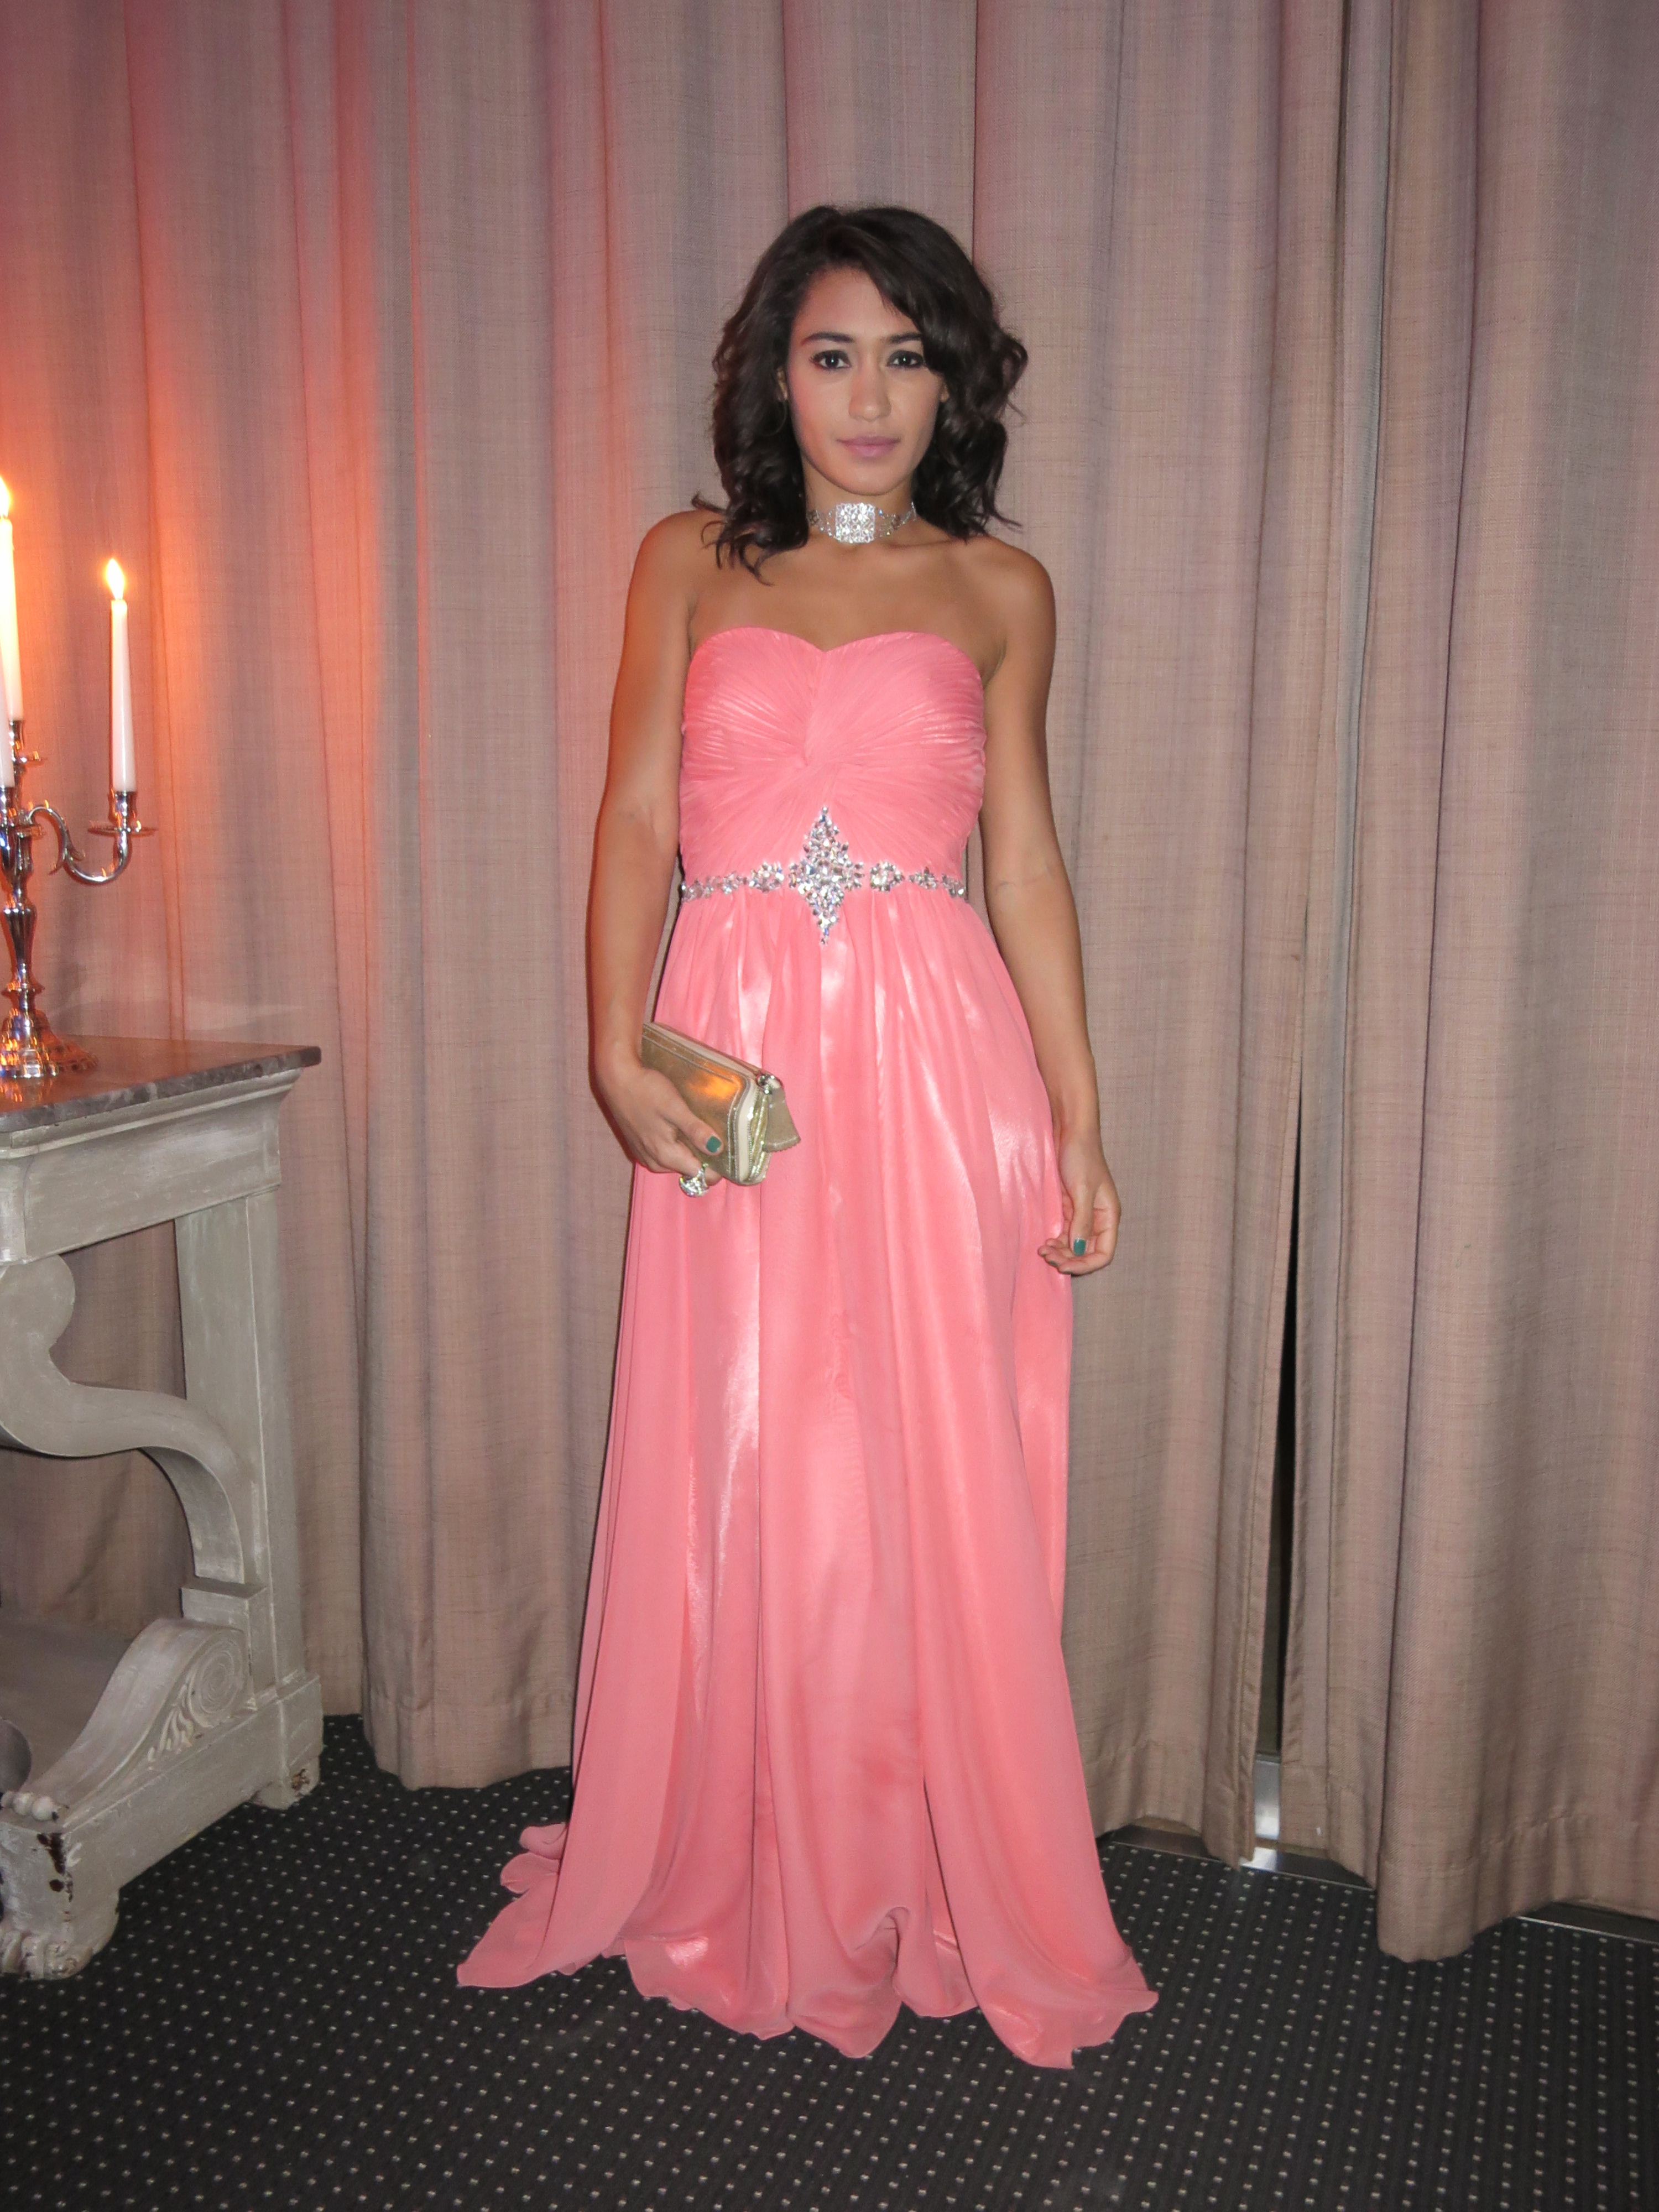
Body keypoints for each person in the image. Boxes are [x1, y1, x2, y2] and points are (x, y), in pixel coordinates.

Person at [458, 204, 1156, 2070]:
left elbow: (1026, 863)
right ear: (776, 374)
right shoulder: (688, 561)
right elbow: (632, 816)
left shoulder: (1003, 590)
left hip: (938, 1067)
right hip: (735, 1056)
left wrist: (1082, 1119)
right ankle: (740, 1840)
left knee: (922, 1460)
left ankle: (916, 1855)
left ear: (955, 386)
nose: (868, 397)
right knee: (747, 1442)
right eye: (833, 353)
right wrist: (613, 1044)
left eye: (906, 358)